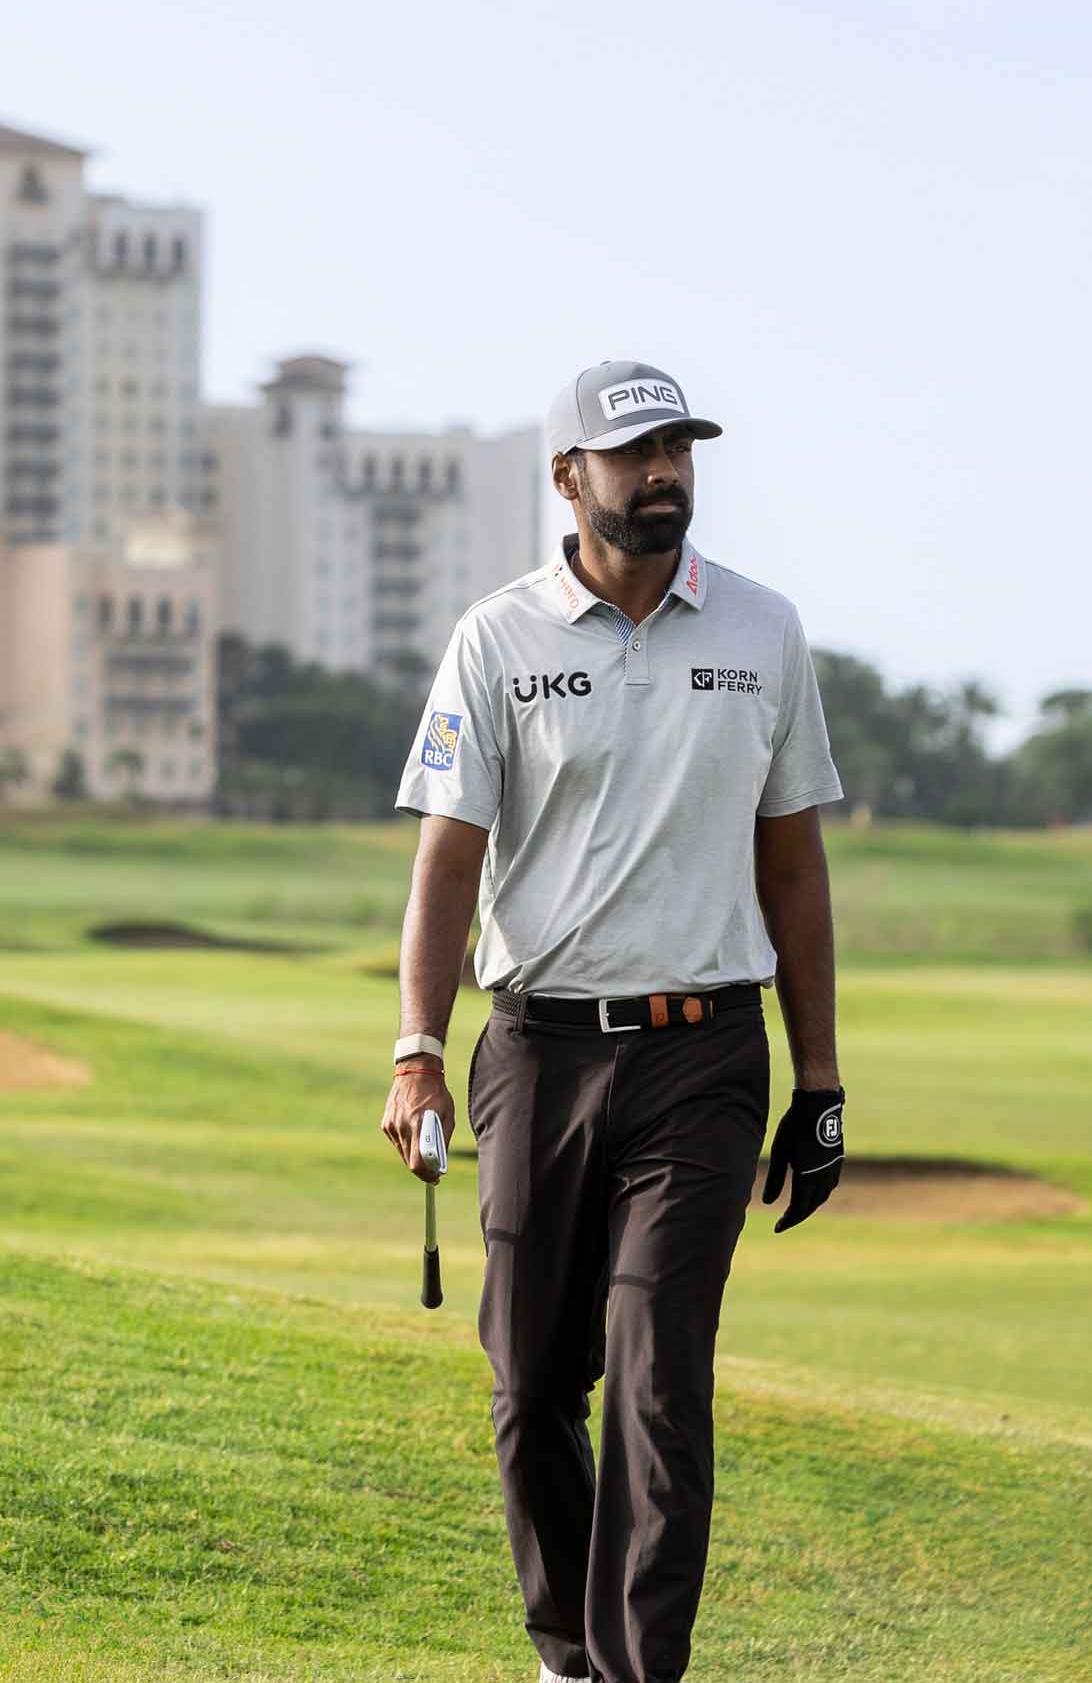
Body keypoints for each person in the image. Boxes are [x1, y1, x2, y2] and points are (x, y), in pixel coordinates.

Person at [380, 359, 847, 1683]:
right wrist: (417, 1046)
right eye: (635, 454)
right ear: (567, 478)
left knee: (656, 1375)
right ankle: (568, 1653)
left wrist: (818, 1081)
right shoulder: (497, 639)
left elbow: (796, 865)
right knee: (531, 1389)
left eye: (679, 450)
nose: (665, 475)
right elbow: (446, 869)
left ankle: (641, 1670)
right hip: (534, 1047)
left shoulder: (764, 633)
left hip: (704, 1050)